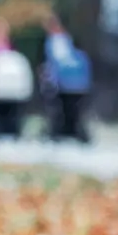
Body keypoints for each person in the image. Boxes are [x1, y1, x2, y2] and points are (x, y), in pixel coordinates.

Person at [39, 15, 92, 144]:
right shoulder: (67, 41)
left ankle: (62, 131)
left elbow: (54, 62)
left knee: (61, 108)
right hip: (77, 81)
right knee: (71, 108)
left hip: (65, 81)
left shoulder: (55, 42)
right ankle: (70, 130)